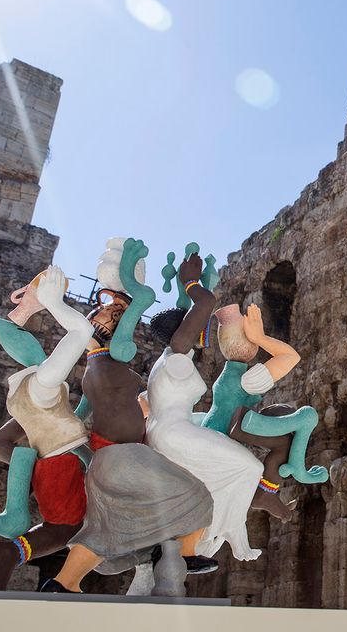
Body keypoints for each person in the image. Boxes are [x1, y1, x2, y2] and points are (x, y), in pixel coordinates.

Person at [40, 243, 214, 594]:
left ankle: (65, 582)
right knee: (196, 496)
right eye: (107, 314)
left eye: (116, 313)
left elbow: (81, 418)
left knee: (107, 528)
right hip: (123, 456)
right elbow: (135, 310)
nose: (112, 316)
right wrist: (191, 285)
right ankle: (177, 551)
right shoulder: (109, 357)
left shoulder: (98, 370)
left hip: (110, 458)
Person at [145, 256, 278, 559]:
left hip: (173, 429)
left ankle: (198, 539)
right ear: (181, 331)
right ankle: (232, 532)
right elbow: (205, 303)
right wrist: (191, 283)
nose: (201, 328)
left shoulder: (168, 363)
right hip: (175, 433)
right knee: (250, 466)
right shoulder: (177, 352)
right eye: (193, 325)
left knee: (214, 477)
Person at [0, 267, 90, 590]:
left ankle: (10, 557)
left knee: (63, 529)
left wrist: (29, 465)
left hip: (57, 464)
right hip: (65, 464)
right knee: (63, 529)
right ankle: (9, 554)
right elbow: (80, 332)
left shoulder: (22, 396)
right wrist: (54, 303)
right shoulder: (43, 384)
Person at [204, 303, 302, 519]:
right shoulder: (243, 380)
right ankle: (266, 494)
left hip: (215, 429)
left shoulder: (226, 377)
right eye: (248, 336)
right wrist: (260, 338)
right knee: (284, 443)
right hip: (225, 433)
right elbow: (291, 357)